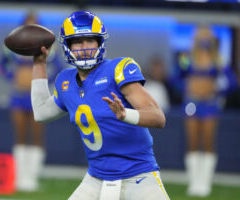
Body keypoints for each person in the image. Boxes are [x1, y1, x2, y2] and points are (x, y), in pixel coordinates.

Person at [31, 11, 170, 200]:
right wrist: (39, 63)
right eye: (78, 41)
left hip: (138, 175)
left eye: (90, 40)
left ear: (100, 42)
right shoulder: (65, 81)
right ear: (67, 45)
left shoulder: (118, 69)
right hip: (96, 177)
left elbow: (158, 117)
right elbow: (40, 113)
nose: (85, 47)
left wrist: (125, 114)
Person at [176, 26, 236, 197]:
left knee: (208, 142)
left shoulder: (218, 59)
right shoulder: (187, 58)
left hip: (210, 104)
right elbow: (176, 77)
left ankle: (205, 183)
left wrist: (217, 92)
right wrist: (186, 88)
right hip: (192, 103)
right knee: (192, 141)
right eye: (200, 34)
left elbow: (232, 82)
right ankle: (194, 182)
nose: (203, 37)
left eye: (207, 34)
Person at [0, 13, 46, 191]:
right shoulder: (13, 45)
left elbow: (57, 66)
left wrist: (45, 80)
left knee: (36, 136)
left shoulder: (46, 45)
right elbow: (1, 67)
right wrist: (13, 76)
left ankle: (32, 177)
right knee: (19, 136)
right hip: (18, 95)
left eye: (35, 24)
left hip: (36, 95)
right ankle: (19, 177)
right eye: (28, 24)